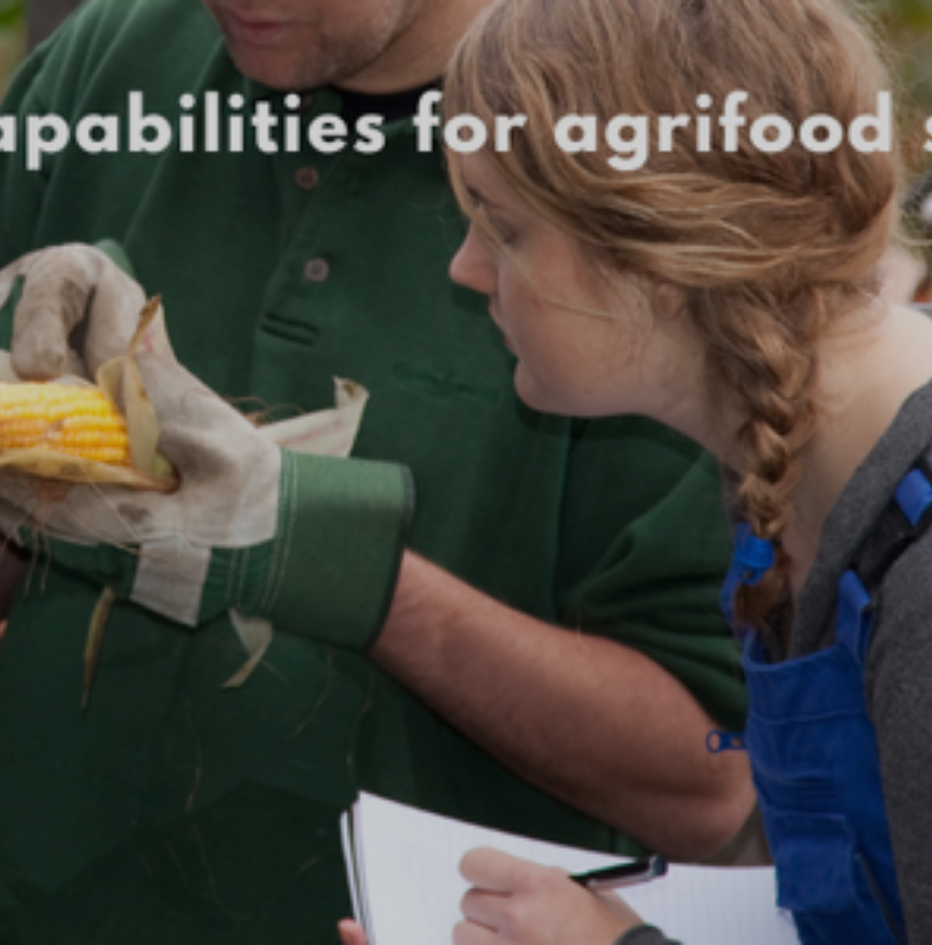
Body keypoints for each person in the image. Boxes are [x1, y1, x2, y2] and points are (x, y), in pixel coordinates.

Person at [0, 0, 760, 939]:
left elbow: (711, 785)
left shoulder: (647, 148)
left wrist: (336, 564)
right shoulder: (106, 63)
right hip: (15, 914)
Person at [376, 0, 928, 943]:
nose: (466, 268)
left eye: (503, 227)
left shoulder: (917, 579)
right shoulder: (785, 470)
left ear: (662, 251)